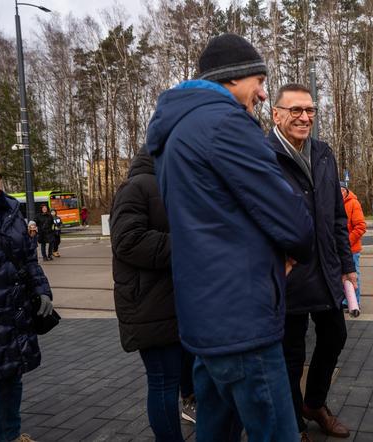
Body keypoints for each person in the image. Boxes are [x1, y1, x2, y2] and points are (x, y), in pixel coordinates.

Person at [146, 34, 314, 441]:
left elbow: (215, 218)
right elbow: (290, 219)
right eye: (258, 79)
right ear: (232, 78)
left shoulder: (177, 129)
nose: (261, 91)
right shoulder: (224, 123)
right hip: (244, 319)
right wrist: (293, 247)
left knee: (215, 430)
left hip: (207, 319)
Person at [268, 83, 356, 441]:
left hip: (326, 271)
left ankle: (314, 402)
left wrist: (347, 265)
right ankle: (294, 423)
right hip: (286, 276)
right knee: (290, 355)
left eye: (310, 110)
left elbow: (337, 216)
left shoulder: (323, 153)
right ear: (276, 114)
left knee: (335, 336)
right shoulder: (262, 154)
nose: (305, 117)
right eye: (295, 110)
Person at [110, 146, 196, 441]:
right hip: (150, 308)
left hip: (177, 305)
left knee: (180, 377)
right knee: (162, 383)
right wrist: (187, 244)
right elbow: (128, 241)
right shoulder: (136, 187)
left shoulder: (173, 184)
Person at [0, 153, 54, 442]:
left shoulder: (13, 211)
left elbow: (29, 260)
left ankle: (10, 437)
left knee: (10, 380)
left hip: (10, 314)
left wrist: (41, 290)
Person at [341, 182, 366, 304]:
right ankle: (345, 300)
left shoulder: (353, 203)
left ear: (346, 191)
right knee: (341, 276)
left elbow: (360, 227)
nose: (339, 193)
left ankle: (355, 302)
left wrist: (346, 242)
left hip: (351, 249)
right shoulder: (334, 204)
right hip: (340, 249)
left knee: (353, 275)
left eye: (342, 190)